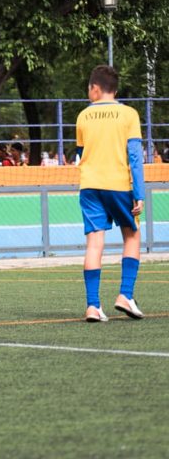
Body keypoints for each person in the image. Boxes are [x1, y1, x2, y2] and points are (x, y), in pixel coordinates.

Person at [75, 65, 145, 322]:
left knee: (94, 243)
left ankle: (93, 306)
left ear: (95, 88)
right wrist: (139, 193)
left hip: (89, 186)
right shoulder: (129, 114)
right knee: (132, 236)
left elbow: (81, 155)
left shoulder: (83, 116)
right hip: (119, 186)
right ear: (114, 89)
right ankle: (125, 294)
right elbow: (135, 157)